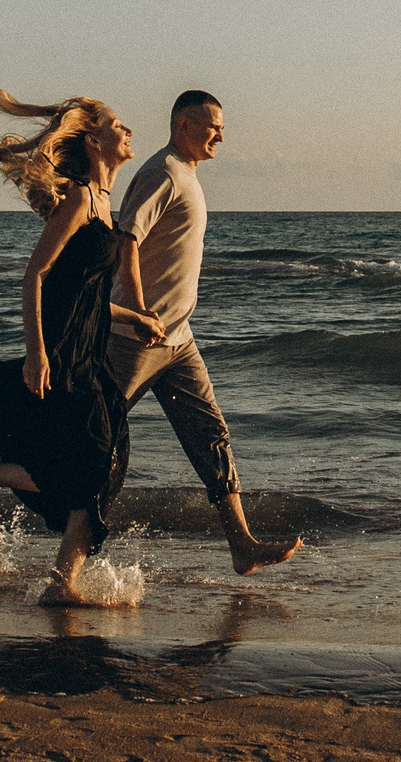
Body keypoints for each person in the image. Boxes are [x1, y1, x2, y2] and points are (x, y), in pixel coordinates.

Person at [0, 71, 168, 607]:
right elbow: (36, 277)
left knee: (105, 470)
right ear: (94, 142)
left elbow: (81, 293)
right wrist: (38, 353)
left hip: (90, 353)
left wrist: (128, 318)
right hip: (64, 356)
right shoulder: (79, 201)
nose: (129, 129)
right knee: (91, 465)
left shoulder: (103, 205)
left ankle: (60, 583)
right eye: (118, 125)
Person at [111, 90, 302, 575]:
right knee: (85, 432)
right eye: (213, 125)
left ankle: (242, 545)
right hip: (137, 340)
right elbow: (126, 239)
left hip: (178, 341)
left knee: (210, 435)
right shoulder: (162, 172)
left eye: (221, 126)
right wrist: (136, 310)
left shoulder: (185, 174)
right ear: (183, 126)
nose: (221, 133)